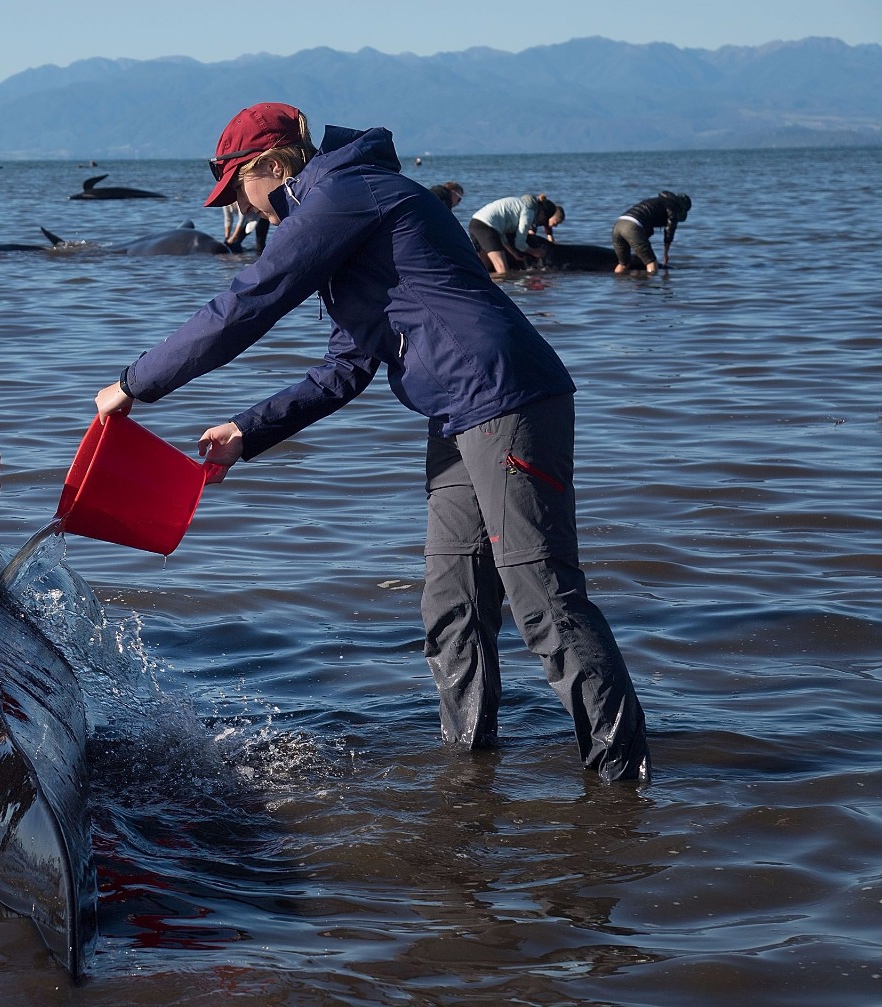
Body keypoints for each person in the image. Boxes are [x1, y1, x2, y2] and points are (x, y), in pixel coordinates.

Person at [92, 102, 648, 783]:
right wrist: (249, 429)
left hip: (506, 397)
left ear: (271, 165)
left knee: (544, 602)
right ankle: (469, 779)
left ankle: (624, 788)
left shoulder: (343, 196)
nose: (236, 204)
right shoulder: (338, 208)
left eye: (238, 188)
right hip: (456, 413)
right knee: (453, 608)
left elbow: (249, 301)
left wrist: (135, 382)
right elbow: (347, 364)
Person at [468, 193, 563, 275]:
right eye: (544, 220)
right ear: (542, 212)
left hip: (475, 223)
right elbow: (519, 243)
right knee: (503, 271)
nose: (541, 222)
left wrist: (514, 254)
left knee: (485, 266)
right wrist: (534, 251)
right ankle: (499, 293)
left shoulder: (522, 205)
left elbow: (501, 233)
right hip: (486, 227)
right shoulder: (529, 212)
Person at [612, 191, 691, 274]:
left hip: (618, 224)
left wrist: (639, 253)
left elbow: (645, 233)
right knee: (651, 263)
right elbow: (670, 230)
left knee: (623, 264)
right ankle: (650, 285)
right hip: (633, 226)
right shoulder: (673, 208)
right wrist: (666, 254)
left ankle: (617, 285)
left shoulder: (656, 202)